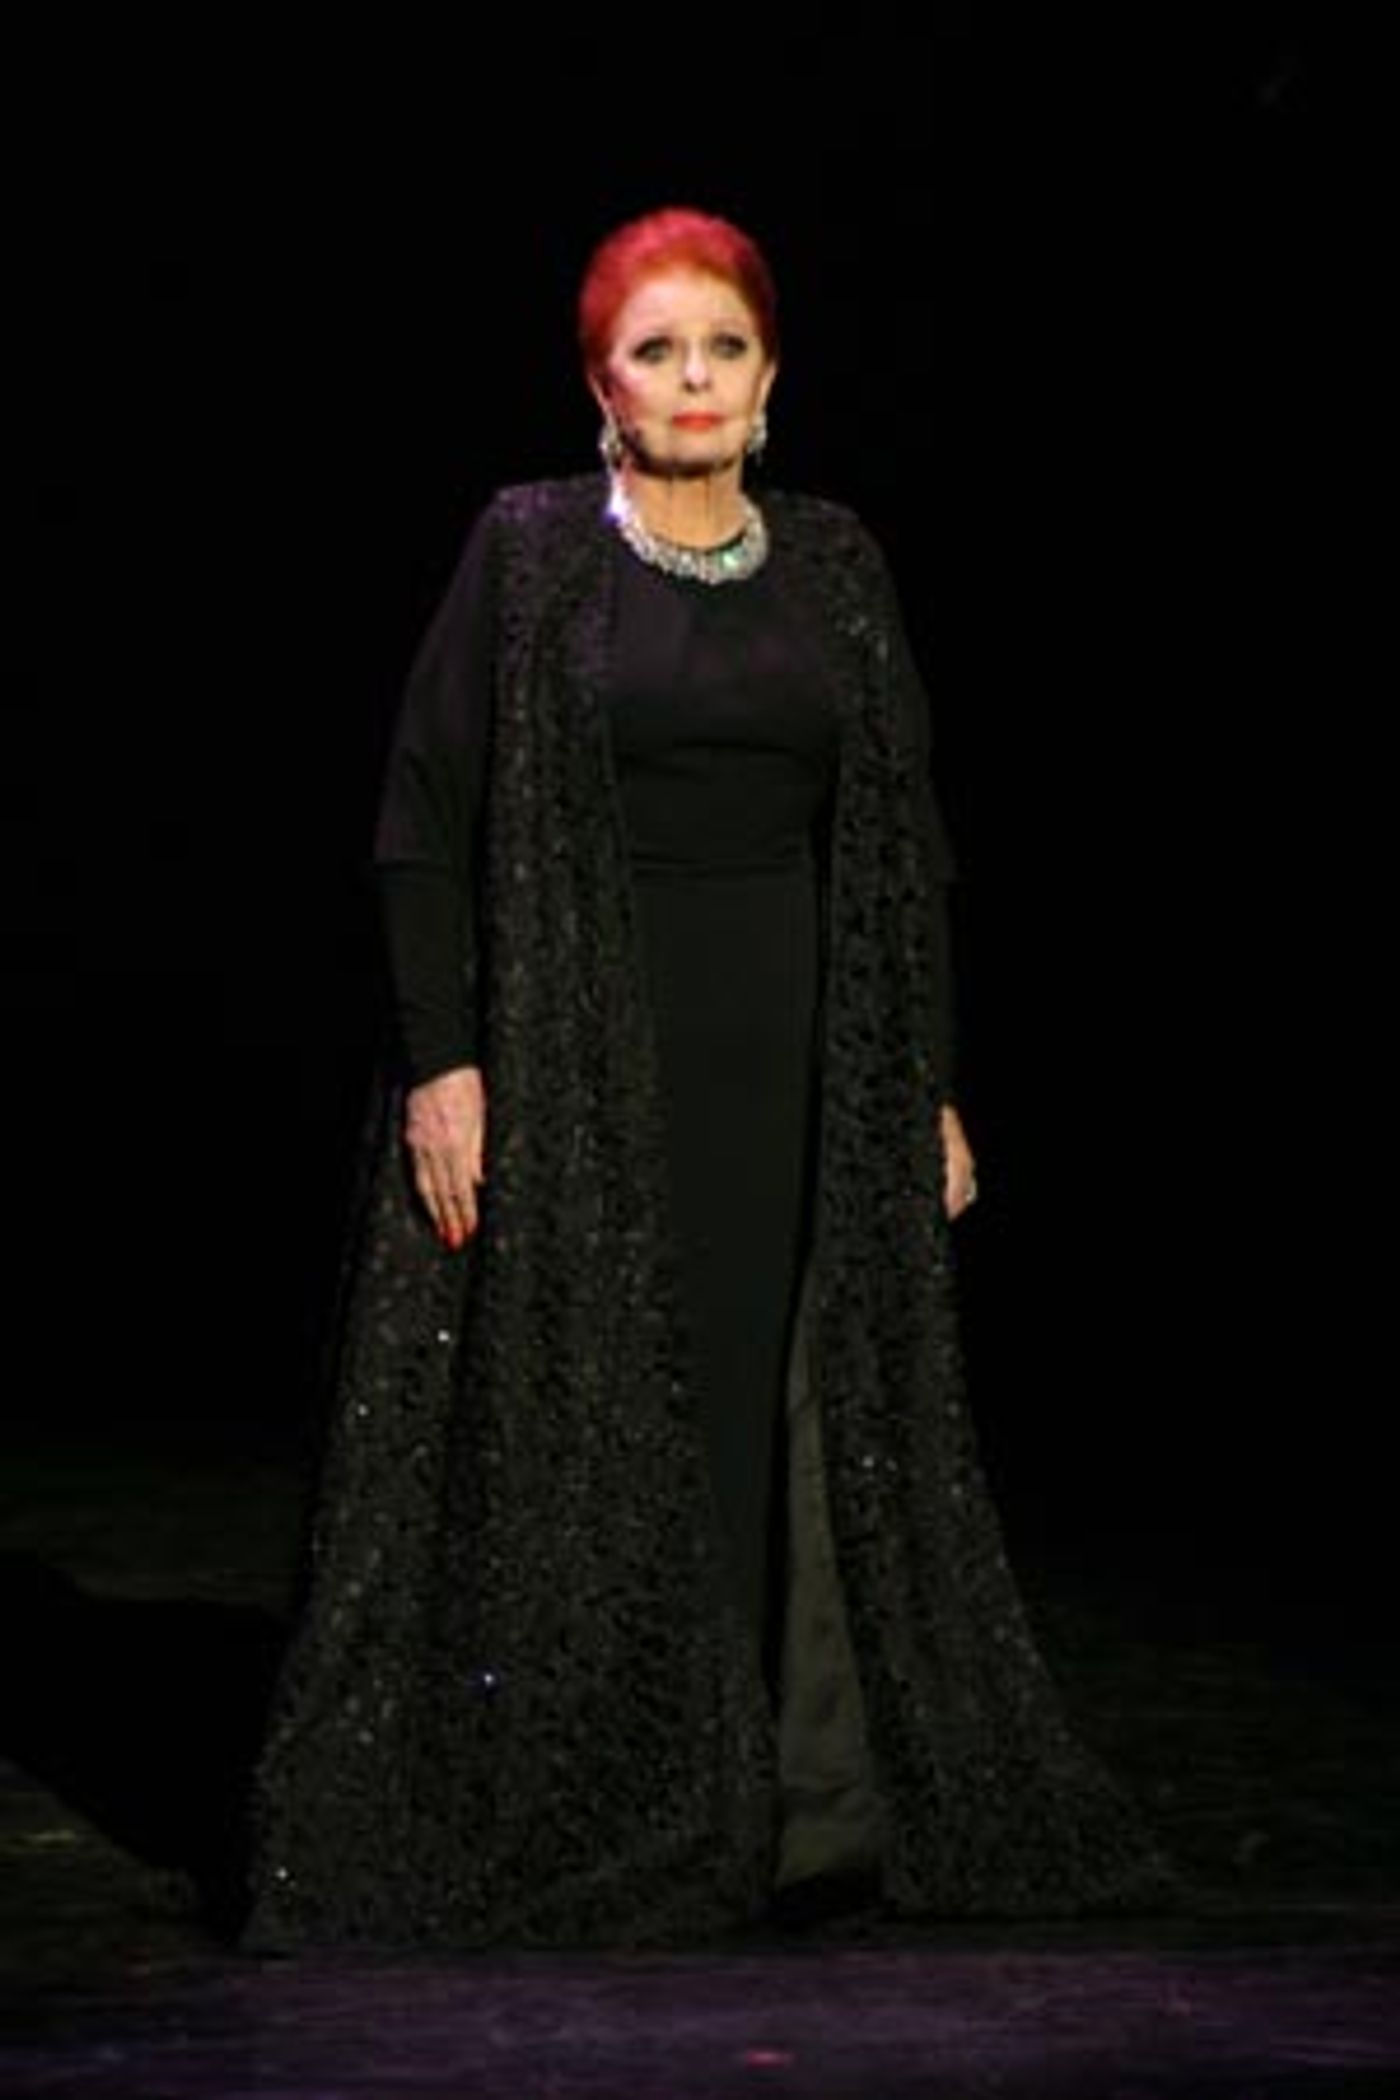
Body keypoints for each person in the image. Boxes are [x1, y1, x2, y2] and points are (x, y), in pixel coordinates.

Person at [244, 206, 1172, 1950]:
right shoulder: (529, 552)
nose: (693, 380)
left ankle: (796, 1800)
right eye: (655, 352)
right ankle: (621, 1780)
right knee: (601, 1407)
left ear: (770, 377)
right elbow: (420, 818)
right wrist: (446, 1064)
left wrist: (922, 1079)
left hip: (800, 1053)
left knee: (779, 1402)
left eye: (722, 348)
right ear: (601, 387)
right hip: (580, 1055)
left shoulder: (837, 562)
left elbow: (907, 842)